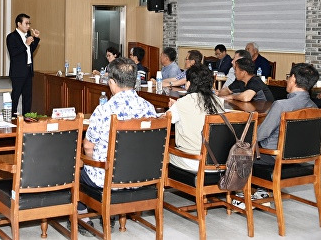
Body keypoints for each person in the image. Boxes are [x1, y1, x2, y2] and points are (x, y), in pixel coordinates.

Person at [79, 57, 156, 234]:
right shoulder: (149, 109)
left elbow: (88, 147)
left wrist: (91, 163)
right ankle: (114, 213)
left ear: (112, 83)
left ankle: (83, 215)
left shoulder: (104, 110)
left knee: (79, 167)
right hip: (143, 177)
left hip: (109, 179)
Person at [256, 63, 319, 165]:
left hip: (274, 157)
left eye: (289, 77)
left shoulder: (281, 105)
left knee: (235, 153)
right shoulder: (315, 108)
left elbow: (259, 135)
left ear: (293, 78)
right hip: (302, 158)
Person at [167, 65, 224, 171]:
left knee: (163, 155)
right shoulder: (219, 102)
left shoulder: (182, 103)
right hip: (218, 162)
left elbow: (163, 122)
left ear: (188, 84)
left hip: (192, 161)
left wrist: (174, 107)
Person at [6, 13, 40, 115]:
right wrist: (26, 44)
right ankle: (12, 116)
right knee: (16, 95)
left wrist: (36, 38)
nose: (28, 26)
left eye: (29, 23)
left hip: (28, 70)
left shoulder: (28, 35)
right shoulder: (11, 37)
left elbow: (30, 51)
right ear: (19, 24)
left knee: (27, 96)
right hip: (18, 72)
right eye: (26, 23)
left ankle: (27, 117)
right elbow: (14, 53)